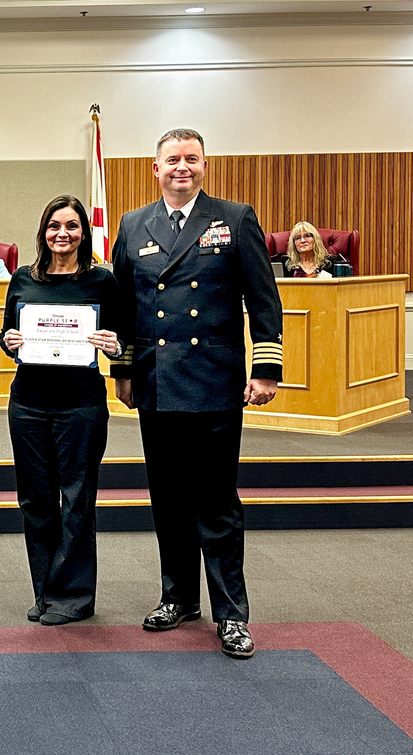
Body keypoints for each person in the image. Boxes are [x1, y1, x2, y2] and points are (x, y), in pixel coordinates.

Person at [111, 129, 283, 659]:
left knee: (216, 501)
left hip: (212, 380)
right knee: (167, 499)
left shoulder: (234, 218)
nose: (181, 167)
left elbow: (262, 298)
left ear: (205, 165)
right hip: (158, 383)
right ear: (154, 167)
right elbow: (122, 305)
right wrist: (123, 370)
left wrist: (266, 369)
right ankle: (179, 596)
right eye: (172, 160)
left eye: (191, 159)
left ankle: (232, 613)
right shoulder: (133, 224)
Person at [0, 194, 123, 626]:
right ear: (43, 232)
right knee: (35, 500)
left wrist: (114, 345)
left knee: (76, 501)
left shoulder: (102, 282)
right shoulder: (22, 279)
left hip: (80, 406)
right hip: (28, 404)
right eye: (54, 226)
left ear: (83, 233)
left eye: (72, 226)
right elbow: (6, 334)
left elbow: (123, 336)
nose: (62, 234)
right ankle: (46, 590)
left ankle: (73, 596)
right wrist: (9, 342)